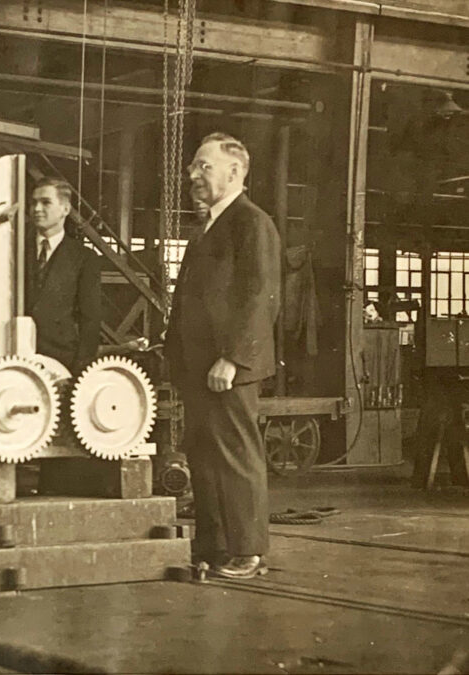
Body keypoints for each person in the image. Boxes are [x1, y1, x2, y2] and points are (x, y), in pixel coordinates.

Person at [164, 133, 281, 580]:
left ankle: (248, 552)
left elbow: (260, 297)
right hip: (198, 368)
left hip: (227, 369)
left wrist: (232, 358)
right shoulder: (206, 229)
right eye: (193, 166)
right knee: (203, 457)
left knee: (235, 455)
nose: (192, 174)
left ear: (234, 172)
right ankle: (212, 548)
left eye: (203, 165)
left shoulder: (252, 223)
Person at [27, 177, 102, 374]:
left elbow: (90, 319)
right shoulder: (16, 250)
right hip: (16, 357)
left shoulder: (84, 258)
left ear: (65, 209)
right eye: (33, 203)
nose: (37, 209)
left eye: (46, 202)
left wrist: (81, 368)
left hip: (62, 362)